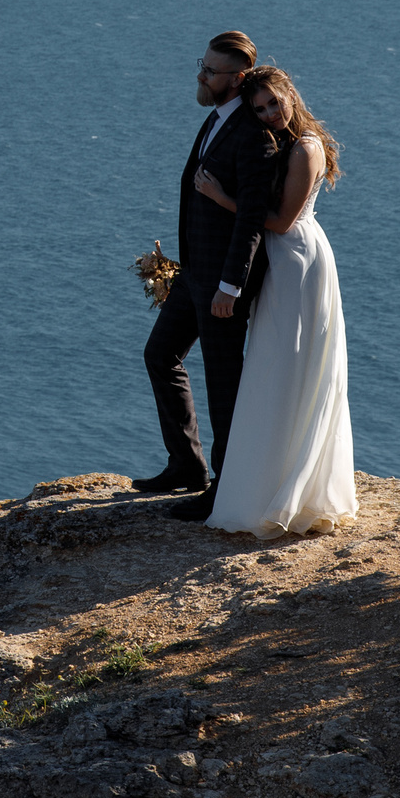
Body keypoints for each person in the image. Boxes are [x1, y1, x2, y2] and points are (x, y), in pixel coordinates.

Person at [196, 66, 357, 538]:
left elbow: (283, 221)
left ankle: (293, 489)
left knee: (289, 364)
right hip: (283, 261)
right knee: (274, 364)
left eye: (274, 103)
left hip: (297, 262)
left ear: (290, 94)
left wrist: (222, 197)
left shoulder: (305, 147)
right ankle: (271, 481)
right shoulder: (284, 142)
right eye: (259, 108)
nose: (268, 113)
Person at [134, 30, 283, 522]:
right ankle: (186, 465)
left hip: (223, 285)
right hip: (195, 274)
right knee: (160, 354)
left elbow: (251, 221)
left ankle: (227, 487)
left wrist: (230, 287)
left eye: (209, 71)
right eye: (201, 65)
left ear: (236, 79)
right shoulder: (218, 119)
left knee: (224, 386)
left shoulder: (254, 137)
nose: (200, 76)